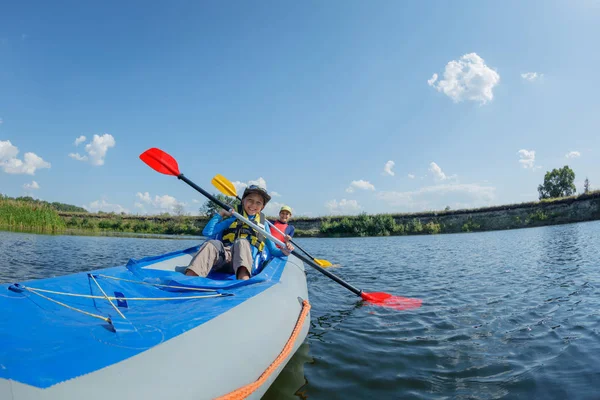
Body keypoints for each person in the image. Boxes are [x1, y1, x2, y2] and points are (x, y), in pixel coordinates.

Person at [185, 185, 294, 280]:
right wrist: (221, 213)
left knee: (242, 242)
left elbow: (273, 250)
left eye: (258, 203)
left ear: (262, 207)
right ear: (243, 201)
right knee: (211, 244)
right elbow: (208, 232)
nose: (253, 205)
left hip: (246, 263)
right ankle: (189, 279)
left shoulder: (263, 224)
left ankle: (243, 281)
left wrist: (284, 251)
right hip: (225, 259)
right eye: (250, 200)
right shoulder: (234, 218)